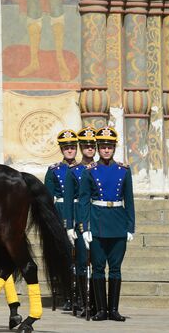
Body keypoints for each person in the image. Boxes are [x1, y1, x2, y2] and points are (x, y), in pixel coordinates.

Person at [78, 126, 135, 322]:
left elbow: (129, 200)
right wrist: (84, 227)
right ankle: (101, 310)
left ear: (114, 148)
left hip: (118, 222)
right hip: (97, 223)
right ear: (98, 148)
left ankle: (114, 310)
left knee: (116, 269)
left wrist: (130, 226)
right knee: (99, 268)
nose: (106, 150)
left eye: (109, 147)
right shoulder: (90, 171)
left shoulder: (124, 171)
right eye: (103, 147)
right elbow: (84, 201)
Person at [44, 129, 79, 311]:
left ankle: (79, 295)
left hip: (77, 211)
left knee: (78, 257)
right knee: (63, 255)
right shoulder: (54, 170)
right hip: (59, 213)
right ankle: (66, 294)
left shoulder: (83, 169)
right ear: (61, 150)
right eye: (66, 148)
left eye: (72, 147)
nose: (70, 151)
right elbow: (47, 199)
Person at [65, 125, 96, 315]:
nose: (89, 149)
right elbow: (68, 201)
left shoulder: (100, 168)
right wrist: (70, 225)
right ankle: (83, 302)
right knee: (82, 261)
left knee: (96, 263)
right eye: (85, 146)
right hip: (80, 219)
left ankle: (95, 302)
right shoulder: (73, 170)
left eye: (92, 145)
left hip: (98, 218)